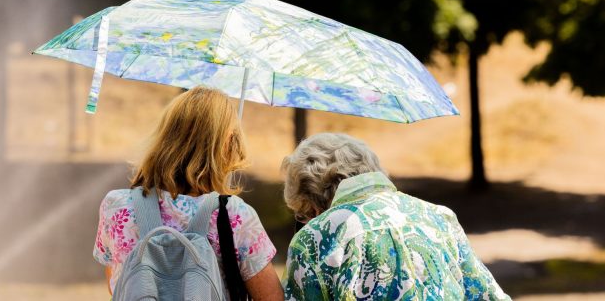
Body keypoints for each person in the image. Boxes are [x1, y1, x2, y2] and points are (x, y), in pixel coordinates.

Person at [94, 86, 284, 300]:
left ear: (165, 135)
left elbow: (118, 284)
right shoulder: (234, 216)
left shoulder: (116, 206)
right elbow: (271, 297)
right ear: (227, 145)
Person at [281, 133, 510, 300]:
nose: (305, 221)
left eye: (302, 214)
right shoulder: (440, 217)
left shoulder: (314, 239)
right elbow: (488, 296)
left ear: (312, 205)